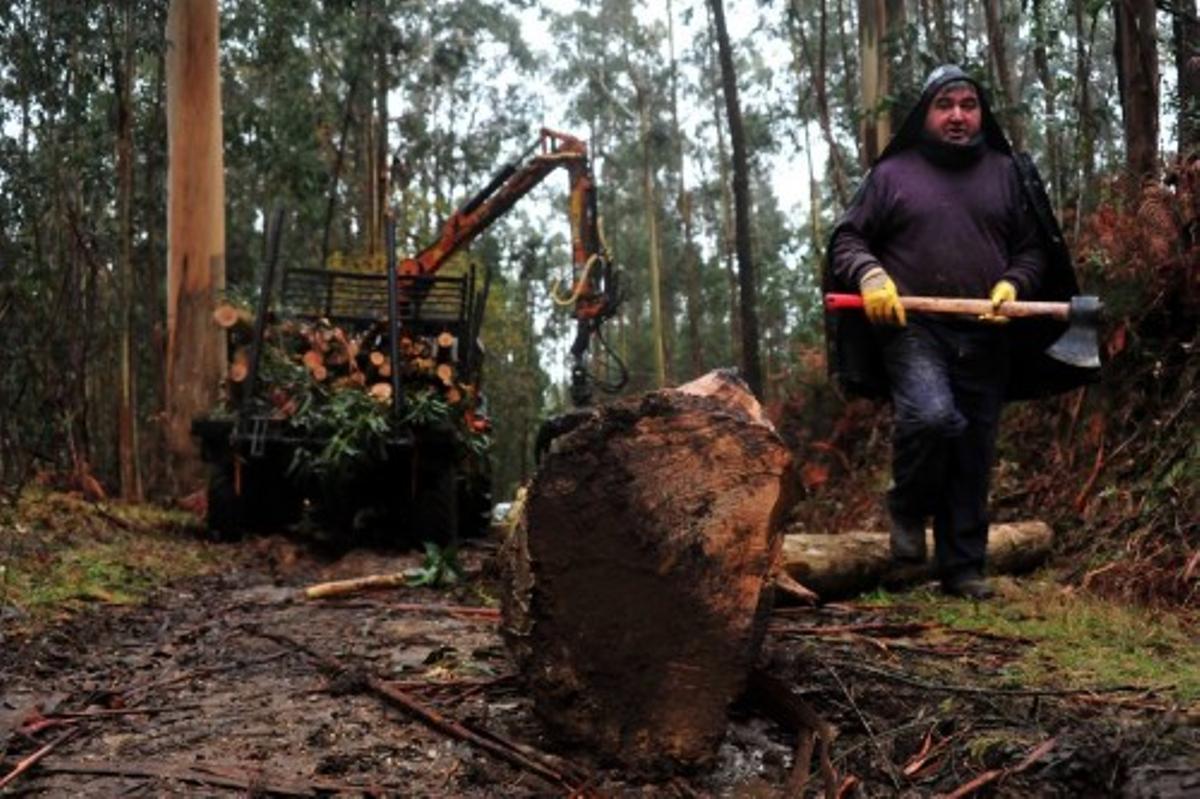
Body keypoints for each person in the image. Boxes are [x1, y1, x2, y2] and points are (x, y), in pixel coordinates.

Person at [825, 65, 1095, 599]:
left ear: (981, 113)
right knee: (931, 417)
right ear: (925, 114)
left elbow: (1032, 249)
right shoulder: (893, 175)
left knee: (973, 446)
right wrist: (872, 275)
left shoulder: (1006, 173)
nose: (957, 115)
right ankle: (906, 506)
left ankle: (963, 568)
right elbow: (848, 240)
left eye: (967, 104)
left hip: (987, 330)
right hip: (912, 327)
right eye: (945, 104)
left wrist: (1013, 285)